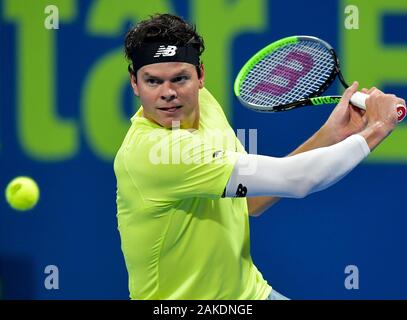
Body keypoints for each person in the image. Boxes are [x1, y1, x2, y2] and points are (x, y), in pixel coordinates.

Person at [114, 13, 404, 300]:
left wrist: (332, 135)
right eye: (153, 82)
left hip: (252, 294)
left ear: (200, 76)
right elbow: (299, 180)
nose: (168, 93)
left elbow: (250, 202)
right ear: (134, 83)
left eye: (180, 78)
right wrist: (379, 127)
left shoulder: (205, 105)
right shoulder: (154, 154)